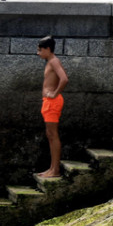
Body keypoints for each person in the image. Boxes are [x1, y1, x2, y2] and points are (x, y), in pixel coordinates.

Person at [36, 36, 68, 179]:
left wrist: (55, 93)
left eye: (40, 50)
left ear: (48, 49)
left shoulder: (54, 61)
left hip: (52, 102)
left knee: (53, 135)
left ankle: (55, 170)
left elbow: (64, 79)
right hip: (48, 102)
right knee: (50, 135)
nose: (38, 53)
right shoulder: (50, 61)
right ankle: (51, 168)